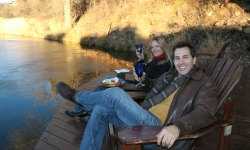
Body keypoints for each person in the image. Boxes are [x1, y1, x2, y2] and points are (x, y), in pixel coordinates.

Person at [56, 41, 218, 150]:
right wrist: (144, 79)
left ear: (194, 59)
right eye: (177, 58)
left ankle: (78, 97)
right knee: (99, 109)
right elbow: (154, 86)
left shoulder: (204, 84)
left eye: (185, 57)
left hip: (159, 129)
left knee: (115, 94)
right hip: (144, 116)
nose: (181, 62)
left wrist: (177, 127)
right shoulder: (172, 75)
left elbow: (205, 113)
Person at [65, 35, 174, 118]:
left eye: (157, 46)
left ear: (163, 47)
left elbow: (152, 83)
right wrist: (141, 59)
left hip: (141, 91)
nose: (154, 49)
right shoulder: (156, 60)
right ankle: (83, 108)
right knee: (107, 80)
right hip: (139, 85)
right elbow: (145, 71)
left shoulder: (164, 64)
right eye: (152, 47)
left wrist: (140, 78)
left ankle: (81, 103)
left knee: (107, 83)